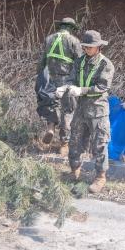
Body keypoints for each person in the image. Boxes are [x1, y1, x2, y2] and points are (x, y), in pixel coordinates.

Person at [57, 30, 114, 193]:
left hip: (98, 111)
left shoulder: (106, 64)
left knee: (99, 144)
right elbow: (71, 79)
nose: (87, 50)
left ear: (98, 47)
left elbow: (102, 87)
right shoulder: (79, 62)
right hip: (80, 110)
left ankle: (100, 177)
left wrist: (81, 90)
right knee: (75, 141)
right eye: (85, 47)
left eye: (90, 47)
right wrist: (65, 88)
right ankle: (74, 172)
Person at [37, 17, 82, 155]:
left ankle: (51, 127)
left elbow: (42, 61)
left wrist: (40, 77)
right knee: (67, 110)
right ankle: (64, 143)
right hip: (66, 80)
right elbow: (80, 63)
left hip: (50, 78)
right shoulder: (74, 41)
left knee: (52, 104)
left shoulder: (49, 38)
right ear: (71, 28)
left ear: (60, 26)